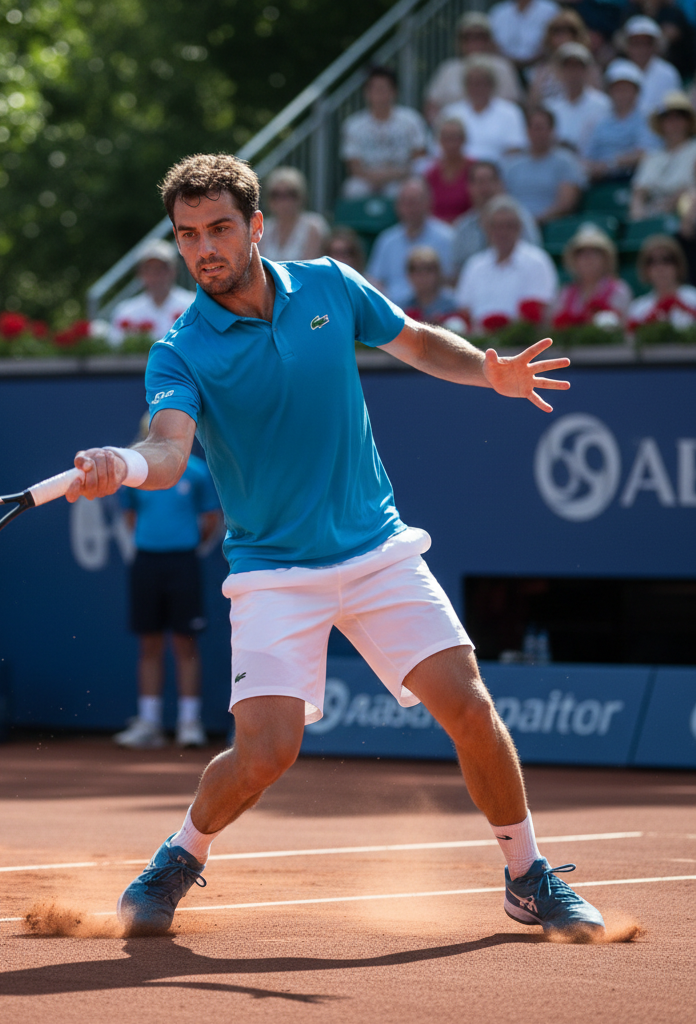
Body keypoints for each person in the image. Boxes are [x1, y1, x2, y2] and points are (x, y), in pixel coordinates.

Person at [67, 152, 605, 942]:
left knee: (469, 704)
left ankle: (527, 876)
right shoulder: (178, 350)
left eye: (219, 228)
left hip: (375, 547)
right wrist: (125, 464)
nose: (204, 248)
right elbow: (171, 450)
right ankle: (177, 858)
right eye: (187, 236)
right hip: (273, 569)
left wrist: (488, 372)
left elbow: (417, 341)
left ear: (257, 226)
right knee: (265, 755)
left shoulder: (327, 283)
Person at [114, 414, 222, 750]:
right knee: (149, 644)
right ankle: (149, 723)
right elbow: (130, 519)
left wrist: (182, 542)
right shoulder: (134, 478)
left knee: (185, 643)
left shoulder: (198, 472)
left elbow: (209, 521)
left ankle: (189, 723)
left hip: (183, 563)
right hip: (147, 562)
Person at [455, 196, 560, 330]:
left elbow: (540, 313)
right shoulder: (474, 265)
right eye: (497, 226)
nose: (503, 232)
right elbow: (464, 311)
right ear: (486, 229)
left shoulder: (537, 262)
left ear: (519, 228)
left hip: (521, 343)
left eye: (509, 226)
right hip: (478, 344)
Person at [340, 66, 429, 199]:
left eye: (384, 89)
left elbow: (420, 158)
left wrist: (392, 175)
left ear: (394, 91)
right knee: (353, 189)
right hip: (367, 180)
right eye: (375, 89)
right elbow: (354, 166)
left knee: (409, 188)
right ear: (367, 93)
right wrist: (375, 178)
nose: (379, 94)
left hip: (402, 177)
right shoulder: (353, 124)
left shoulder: (412, 120)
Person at [365, 178, 454, 307]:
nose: (410, 208)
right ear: (398, 206)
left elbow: (450, 280)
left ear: (428, 203)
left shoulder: (446, 237)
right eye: (405, 203)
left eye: (414, 202)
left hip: (433, 310)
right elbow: (374, 279)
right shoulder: (387, 240)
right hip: (394, 310)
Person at [425, 12, 523, 125]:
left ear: (489, 40)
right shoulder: (448, 69)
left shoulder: (503, 67)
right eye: (468, 37)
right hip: (454, 134)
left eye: (480, 37)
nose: (474, 41)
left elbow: (514, 105)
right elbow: (431, 106)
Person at [452, 160, 541, 277]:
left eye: (490, 181)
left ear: (501, 184)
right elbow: (457, 272)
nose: (485, 188)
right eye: (479, 182)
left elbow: (533, 258)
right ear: (469, 187)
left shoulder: (520, 219)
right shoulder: (463, 227)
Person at [503, 107, 586, 224]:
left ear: (552, 131)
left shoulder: (566, 161)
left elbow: (566, 203)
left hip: (552, 224)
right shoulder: (512, 165)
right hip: (514, 225)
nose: (537, 133)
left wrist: (535, 221)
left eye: (541, 128)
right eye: (533, 128)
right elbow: (503, 200)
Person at [583, 59, 661, 180]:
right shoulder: (599, 121)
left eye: (627, 89)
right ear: (610, 92)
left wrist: (610, 164)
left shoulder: (647, 117)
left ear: (637, 92)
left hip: (632, 179)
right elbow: (587, 157)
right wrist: (593, 167)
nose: (622, 94)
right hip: (599, 182)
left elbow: (646, 154)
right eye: (617, 89)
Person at [440, 57, 529, 162]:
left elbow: (515, 149)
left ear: (492, 84)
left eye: (481, 82)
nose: (476, 87)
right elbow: (440, 149)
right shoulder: (450, 112)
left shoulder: (511, 112)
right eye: (472, 83)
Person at [108, 240, 194, 346]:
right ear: (140, 273)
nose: (154, 276)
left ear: (173, 271)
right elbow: (116, 347)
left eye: (160, 269)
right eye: (148, 269)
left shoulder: (192, 305)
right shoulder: (126, 311)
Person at [629, 91, 696, 219]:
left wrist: (671, 202)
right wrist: (638, 218)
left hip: (685, 213)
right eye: (668, 118)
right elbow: (639, 193)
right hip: (653, 209)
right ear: (661, 123)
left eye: (679, 117)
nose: (673, 123)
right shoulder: (652, 156)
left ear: (688, 122)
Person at [550, 224, 632, 327]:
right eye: (582, 253)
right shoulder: (565, 293)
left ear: (605, 260)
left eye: (595, 253)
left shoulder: (619, 290)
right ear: (575, 261)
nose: (588, 258)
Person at [545, 43, 612, 153]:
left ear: (586, 71)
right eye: (568, 67)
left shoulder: (603, 104)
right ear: (560, 72)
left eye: (577, 67)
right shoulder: (550, 107)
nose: (573, 73)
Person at [527, 9, 604, 104]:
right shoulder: (542, 71)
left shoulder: (589, 68)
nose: (562, 36)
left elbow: (596, 102)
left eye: (568, 31)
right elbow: (533, 105)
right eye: (556, 31)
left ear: (577, 35)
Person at [258, 166, 329, 262]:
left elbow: (310, 267)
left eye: (290, 194)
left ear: (301, 196)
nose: (283, 201)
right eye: (276, 194)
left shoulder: (314, 226)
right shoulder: (264, 228)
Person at [626, 232, 696, 329]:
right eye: (652, 261)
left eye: (666, 260)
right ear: (645, 269)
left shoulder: (693, 297)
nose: (660, 267)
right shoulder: (638, 308)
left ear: (678, 265)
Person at [622, 15, 682, 116]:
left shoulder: (669, 73)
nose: (641, 49)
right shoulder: (619, 71)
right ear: (627, 45)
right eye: (636, 43)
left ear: (655, 46)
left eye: (646, 43)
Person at [423, 117, 474, 223]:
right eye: (446, 138)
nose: (451, 144)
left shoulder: (475, 170)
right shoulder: (430, 173)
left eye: (455, 138)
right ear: (439, 141)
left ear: (464, 139)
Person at [489, 0, 563, 67]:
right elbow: (492, 42)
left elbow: (556, 40)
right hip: (504, 67)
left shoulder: (550, 10)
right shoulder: (498, 12)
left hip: (541, 66)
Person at [404, 246, 459, 322]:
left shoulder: (452, 305)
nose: (423, 276)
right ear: (409, 275)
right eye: (416, 270)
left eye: (428, 270)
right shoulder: (404, 308)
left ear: (438, 273)